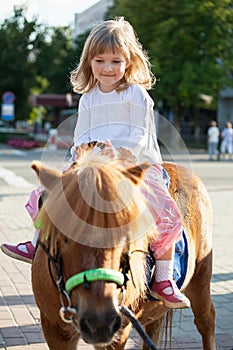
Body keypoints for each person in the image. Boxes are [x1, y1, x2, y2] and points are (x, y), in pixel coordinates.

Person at [1, 17, 190, 309]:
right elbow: (82, 135)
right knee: (47, 194)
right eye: (100, 60)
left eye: (116, 61)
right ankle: (37, 242)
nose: (108, 68)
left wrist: (120, 153)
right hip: (93, 164)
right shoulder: (88, 98)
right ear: (89, 61)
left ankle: (163, 278)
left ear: (129, 61)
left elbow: (140, 135)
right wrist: (81, 152)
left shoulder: (136, 94)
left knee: (163, 212)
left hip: (136, 165)